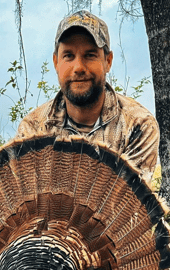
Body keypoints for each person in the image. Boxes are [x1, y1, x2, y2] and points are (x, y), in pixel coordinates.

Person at [16, 10, 159, 182]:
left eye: (90, 55)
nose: (78, 67)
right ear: (56, 62)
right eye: (68, 56)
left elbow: (128, 205)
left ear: (108, 61)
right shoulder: (33, 129)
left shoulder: (138, 125)